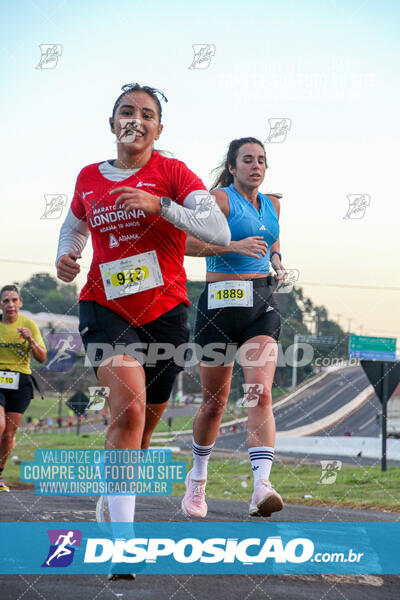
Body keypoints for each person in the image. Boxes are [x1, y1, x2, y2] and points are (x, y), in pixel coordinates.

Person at [56, 84, 230, 539]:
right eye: (127, 112)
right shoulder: (88, 177)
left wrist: (161, 204)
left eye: (146, 114)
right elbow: (73, 227)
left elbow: (219, 229)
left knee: (143, 433)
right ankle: (123, 541)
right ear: (112, 123)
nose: (136, 119)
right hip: (105, 307)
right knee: (128, 409)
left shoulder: (172, 172)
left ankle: (112, 491)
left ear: (157, 128)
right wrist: (67, 254)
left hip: (166, 313)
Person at [183, 137, 286, 518]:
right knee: (214, 403)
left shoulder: (273, 204)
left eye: (261, 160)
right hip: (218, 307)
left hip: (260, 303)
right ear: (232, 166)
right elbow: (186, 244)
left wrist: (276, 260)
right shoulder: (219, 200)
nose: (255, 166)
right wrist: (233, 246)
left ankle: (261, 486)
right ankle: (197, 481)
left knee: (259, 393)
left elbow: (273, 241)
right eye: (247, 160)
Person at [0, 285, 47, 492]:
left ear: (20, 303)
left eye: (14, 300)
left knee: (8, 435)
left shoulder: (29, 325)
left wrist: (30, 339)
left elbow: (42, 357)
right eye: (6, 301)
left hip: (21, 382)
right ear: (0, 305)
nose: (10, 304)